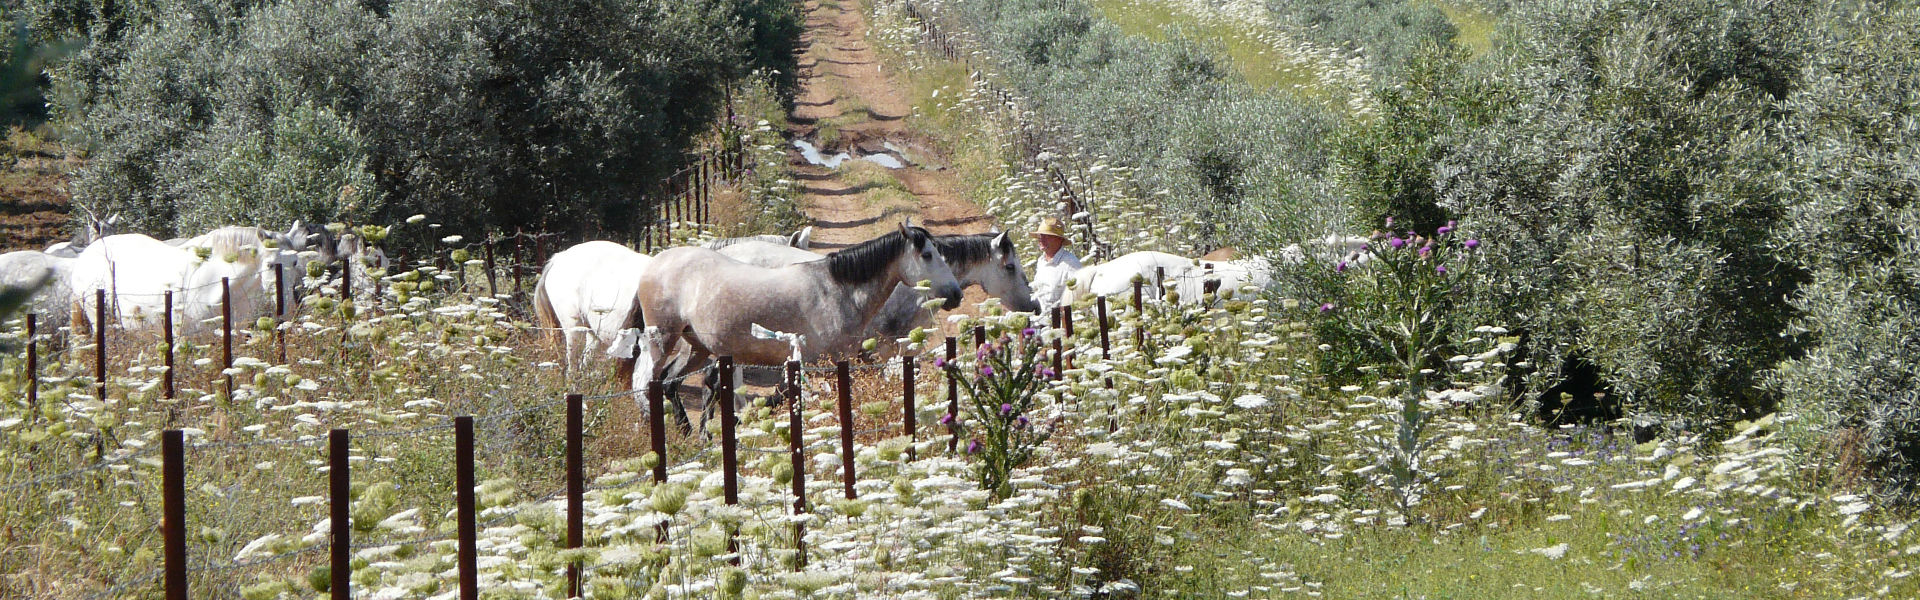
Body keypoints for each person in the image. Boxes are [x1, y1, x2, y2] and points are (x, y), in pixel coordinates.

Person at [1028, 217, 1082, 312]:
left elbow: (1079, 296)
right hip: (1039, 319)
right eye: (1040, 236)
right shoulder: (1041, 261)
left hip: (1060, 321)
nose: (1041, 239)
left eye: (1047, 236)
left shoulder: (1071, 264)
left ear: (1059, 239)